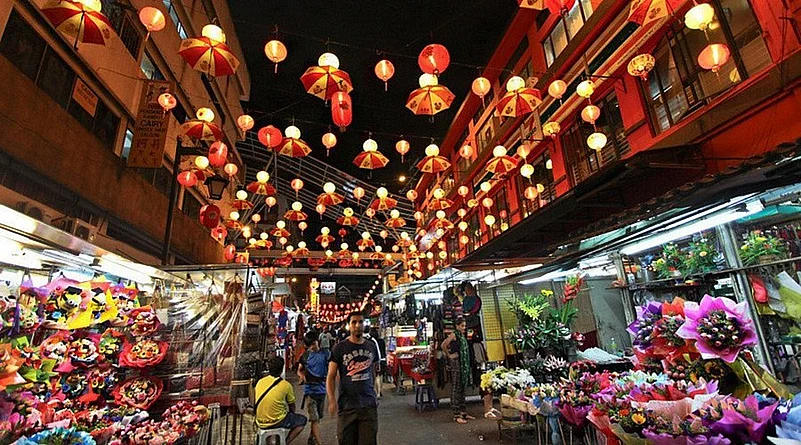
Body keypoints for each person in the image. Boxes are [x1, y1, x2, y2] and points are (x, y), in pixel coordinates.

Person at [327, 312, 379, 445]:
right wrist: (332, 400)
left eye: (360, 322)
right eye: (354, 322)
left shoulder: (371, 347)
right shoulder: (339, 348)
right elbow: (331, 376)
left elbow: (373, 371)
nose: (357, 325)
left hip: (368, 406)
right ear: (348, 326)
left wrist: (373, 391)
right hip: (347, 407)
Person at [254, 355, 307, 443]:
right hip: (277, 421)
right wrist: (291, 414)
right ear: (281, 369)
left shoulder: (260, 382)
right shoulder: (286, 385)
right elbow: (292, 406)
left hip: (259, 421)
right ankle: (285, 442)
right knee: (302, 420)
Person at [298, 332, 330, 445]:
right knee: (315, 419)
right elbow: (299, 370)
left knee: (318, 418)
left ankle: (311, 439)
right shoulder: (305, 356)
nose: (312, 347)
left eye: (313, 344)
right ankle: (319, 442)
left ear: (318, 341)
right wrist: (302, 377)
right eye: (310, 345)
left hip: (322, 390)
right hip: (310, 392)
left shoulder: (326, 354)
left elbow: (331, 370)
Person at [441, 317, 475, 424]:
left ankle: (463, 412)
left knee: (462, 387)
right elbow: (443, 345)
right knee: (456, 387)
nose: (464, 328)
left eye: (465, 326)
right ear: (457, 326)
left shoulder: (461, 335)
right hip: (456, 364)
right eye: (462, 326)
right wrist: (449, 355)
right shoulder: (454, 335)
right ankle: (456, 414)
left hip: (462, 365)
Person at [368, 327, 386, 398]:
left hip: (377, 360)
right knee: (381, 376)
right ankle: (380, 390)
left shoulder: (371, 342)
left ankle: (378, 392)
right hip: (383, 359)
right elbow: (384, 350)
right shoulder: (381, 341)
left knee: (377, 376)